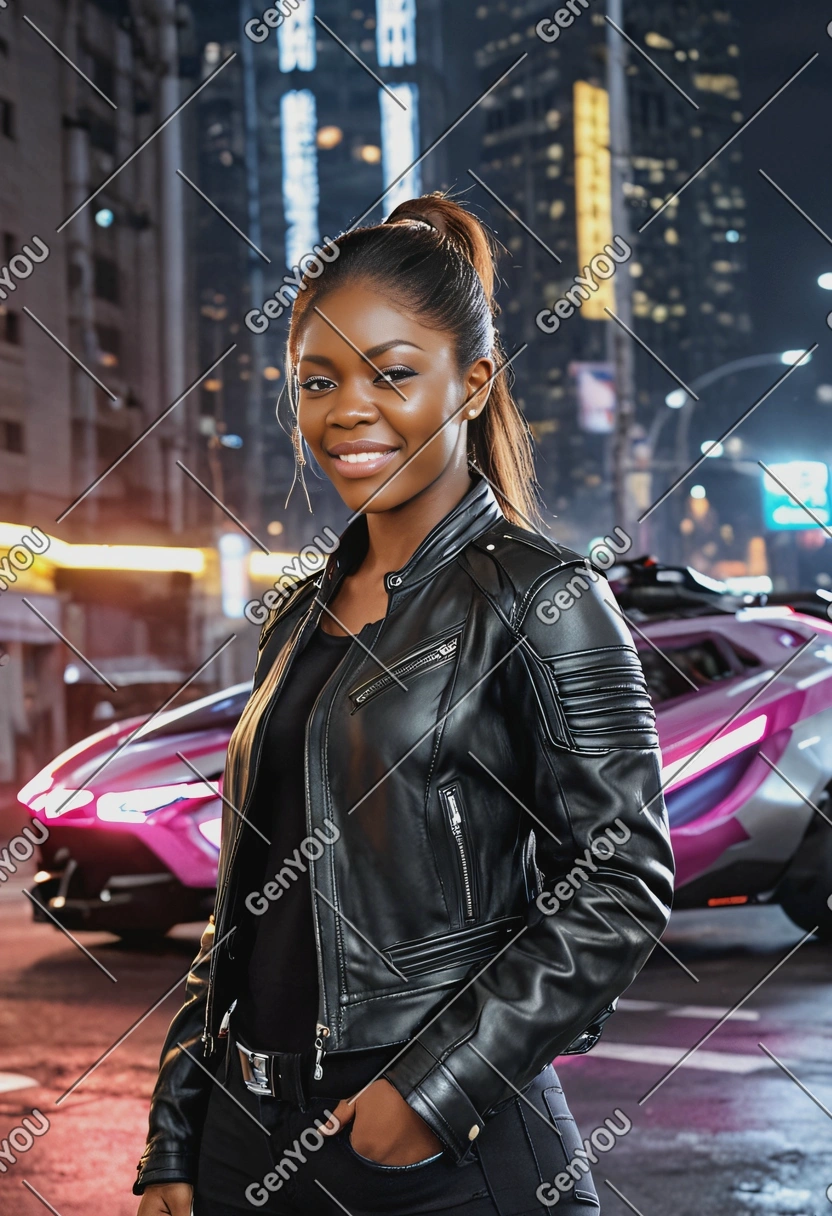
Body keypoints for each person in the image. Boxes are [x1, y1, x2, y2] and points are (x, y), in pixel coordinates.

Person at [133, 194, 674, 1215]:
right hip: (244, 1143)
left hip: (438, 1153)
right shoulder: (294, 617)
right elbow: (243, 905)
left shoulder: (543, 597)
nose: (347, 410)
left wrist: (431, 1093)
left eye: (390, 374)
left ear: (472, 383)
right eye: (318, 381)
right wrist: (177, 1128)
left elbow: (621, 880)